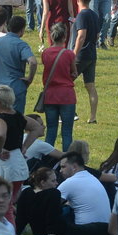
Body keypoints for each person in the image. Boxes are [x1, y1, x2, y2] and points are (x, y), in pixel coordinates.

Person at [0, 85, 43, 220]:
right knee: (8, 204)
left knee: (4, 206)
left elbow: (0, 135)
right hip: (16, 164)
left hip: (3, 166)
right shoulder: (18, 116)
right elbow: (38, 129)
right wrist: (24, 146)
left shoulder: (1, 118)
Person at [0, 16, 39, 114]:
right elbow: (33, 62)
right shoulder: (21, 45)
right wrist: (29, 78)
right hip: (15, 89)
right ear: (22, 30)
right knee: (15, 120)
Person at [56, 151, 111, 235]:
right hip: (105, 230)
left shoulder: (70, 182)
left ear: (74, 167)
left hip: (85, 231)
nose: (60, 170)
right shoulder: (92, 178)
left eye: (63, 167)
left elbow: (51, 205)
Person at [39, 23, 77, 151]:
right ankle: (66, 160)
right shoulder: (68, 54)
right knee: (67, 132)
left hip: (50, 94)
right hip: (66, 95)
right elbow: (74, 72)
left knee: (51, 130)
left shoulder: (46, 53)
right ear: (64, 37)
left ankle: (48, 158)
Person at [15, 167, 62, 235]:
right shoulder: (54, 193)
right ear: (43, 182)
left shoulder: (26, 192)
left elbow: (20, 220)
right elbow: (52, 221)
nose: (56, 183)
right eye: (53, 181)